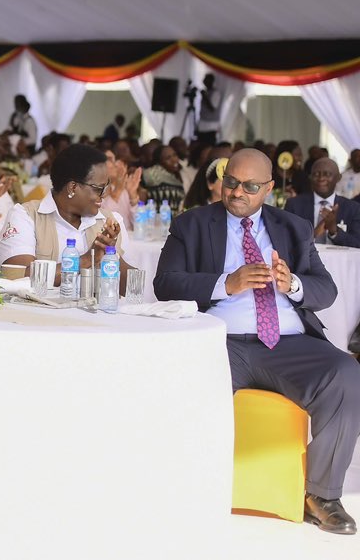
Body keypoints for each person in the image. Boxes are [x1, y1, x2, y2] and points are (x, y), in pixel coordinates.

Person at [154, 148, 360, 535]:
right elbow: (165, 284)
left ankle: (322, 496)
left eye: (249, 186)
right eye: (231, 182)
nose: (236, 193)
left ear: (268, 188)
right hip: (222, 341)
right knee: (187, 387)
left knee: (346, 373)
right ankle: (183, 487)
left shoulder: (293, 227)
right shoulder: (191, 224)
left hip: (288, 343)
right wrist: (225, 284)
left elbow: (326, 289)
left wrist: (293, 284)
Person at [0, 144, 130, 290]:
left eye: (106, 186)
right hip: (41, 312)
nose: (104, 194)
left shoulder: (110, 221)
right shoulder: (25, 216)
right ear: (72, 187)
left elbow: (128, 287)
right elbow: (19, 278)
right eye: (98, 189)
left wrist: (111, 254)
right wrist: (86, 259)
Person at [284, 157, 360, 248]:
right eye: (316, 174)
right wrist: (313, 235)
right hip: (306, 261)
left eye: (327, 174)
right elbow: (286, 239)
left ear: (338, 178)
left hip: (341, 261)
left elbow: (357, 243)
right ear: (310, 177)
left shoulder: (353, 208)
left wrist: (334, 230)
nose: (321, 178)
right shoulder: (294, 204)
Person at [100, 149, 141, 228]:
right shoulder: (93, 190)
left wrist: (133, 195)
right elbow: (105, 225)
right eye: (109, 159)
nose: (116, 163)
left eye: (115, 159)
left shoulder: (124, 191)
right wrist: (116, 192)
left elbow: (140, 225)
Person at [142, 145, 186, 209]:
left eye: (174, 155)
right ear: (159, 161)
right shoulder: (151, 174)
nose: (174, 159)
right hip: (156, 217)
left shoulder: (179, 174)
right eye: (168, 158)